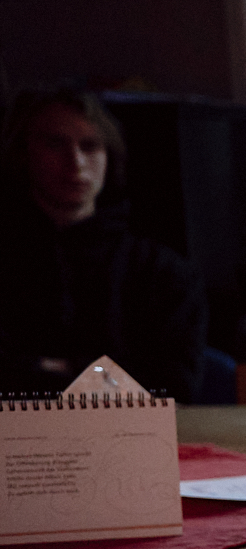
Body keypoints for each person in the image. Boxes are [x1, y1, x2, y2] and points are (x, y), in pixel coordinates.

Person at [0, 88, 206, 400]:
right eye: (55, 143)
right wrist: (98, 372)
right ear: (24, 153)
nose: (75, 162)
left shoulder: (161, 272)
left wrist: (50, 367)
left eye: (90, 145)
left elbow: (175, 385)